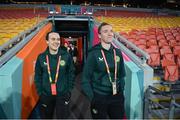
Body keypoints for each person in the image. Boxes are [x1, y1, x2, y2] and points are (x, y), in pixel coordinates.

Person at [82, 22, 126, 119]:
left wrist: (121, 92)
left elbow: (122, 74)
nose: (110, 33)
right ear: (99, 35)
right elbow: (85, 79)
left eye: (111, 31)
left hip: (117, 97)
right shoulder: (93, 53)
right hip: (99, 96)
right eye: (105, 31)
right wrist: (93, 98)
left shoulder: (117, 52)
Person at [34, 31, 75, 119]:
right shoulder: (41, 57)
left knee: (62, 117)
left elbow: (71, 73)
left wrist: (69, 90)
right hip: (46, 95)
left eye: (58, 39)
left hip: (63, 94)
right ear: (47, 41)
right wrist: (40, 93)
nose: (56, 42)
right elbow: (38, 76)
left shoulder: (66, 56)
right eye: (53, 39)